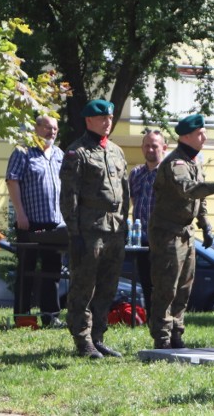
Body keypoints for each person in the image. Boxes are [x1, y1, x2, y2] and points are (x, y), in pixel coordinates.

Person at [148, 114, 214, 349]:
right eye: (200, 133)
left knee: (184, 286)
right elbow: (188, 190)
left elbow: (198, 201)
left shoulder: (194, 162)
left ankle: (176, 333)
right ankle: (162, 335)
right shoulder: (176, 164)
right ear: (186, 136)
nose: (204, 137)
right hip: (167, 233)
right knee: (166, 286)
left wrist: (206, 226)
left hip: (186, 233)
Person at [59, 99, 130, 358]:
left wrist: (124, 224)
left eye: (110, 118)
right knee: (83, 286)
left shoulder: (116, 151)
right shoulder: (76, 153)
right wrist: (74, 233)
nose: (107, 122)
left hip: (114, 229)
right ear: (89, 120)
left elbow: (125, 192)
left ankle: (98, 335)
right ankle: (82, 339)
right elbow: (69, 196)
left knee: (107, 285)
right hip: (89, 231)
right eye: (102, 118)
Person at [6, 114, 64, 328]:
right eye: (48, 128)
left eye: (55, 129)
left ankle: (51, 316)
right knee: (26, 270)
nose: (52, 132)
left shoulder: (59, 154)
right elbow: (12, 182)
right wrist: (20, 213)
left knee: (52, 271)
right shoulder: (23, 152)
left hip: (55, 224)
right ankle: (23, 316)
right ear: (37, 128)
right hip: (29, 222)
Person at [129, 129, 168, 317]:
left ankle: (163, 319)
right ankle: (151, 317)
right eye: (147, 145)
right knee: (145, 280)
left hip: (162, 237)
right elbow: (130, 201)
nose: (150, 149)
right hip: (141, 238)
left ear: (164, 148)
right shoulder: (136, 173)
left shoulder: (168, 173)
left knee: (162, 282)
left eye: (155, 145)